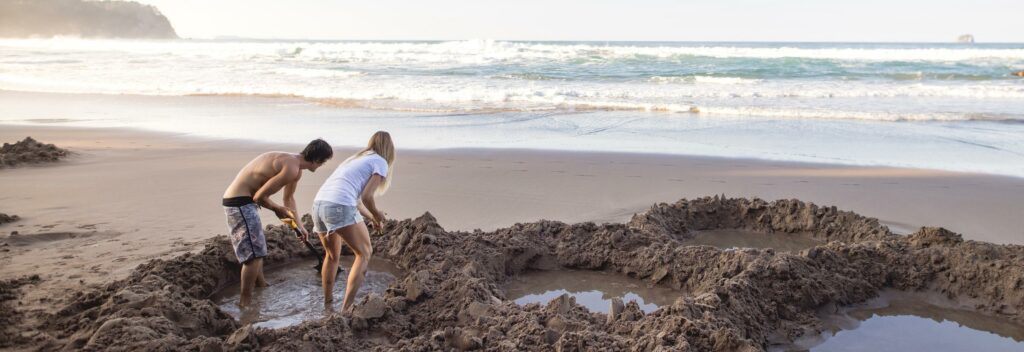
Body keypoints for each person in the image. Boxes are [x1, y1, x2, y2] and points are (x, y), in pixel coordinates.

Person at [222, 139, 333, 307]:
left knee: (257, 247)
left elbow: (288, 198)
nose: (321, 166)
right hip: (239, 202)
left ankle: (261, 285)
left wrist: (300, 227)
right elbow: (259, 197)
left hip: (245, 201)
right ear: (317, 160)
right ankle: (244, 303)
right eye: (323, 162)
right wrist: (277, 209)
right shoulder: (291, 167)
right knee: (254, 254)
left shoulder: (295, 167)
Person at [312, 131, 394, 311]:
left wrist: (372, 218)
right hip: (339, 206)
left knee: (332, 256)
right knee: (364, 253)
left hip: (319, 206)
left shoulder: (355, 159)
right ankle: (346, 309)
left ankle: (328, 304)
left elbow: (356, 200)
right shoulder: (380, 161)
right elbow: (367, 197)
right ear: (389, 149)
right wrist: (378, 214)